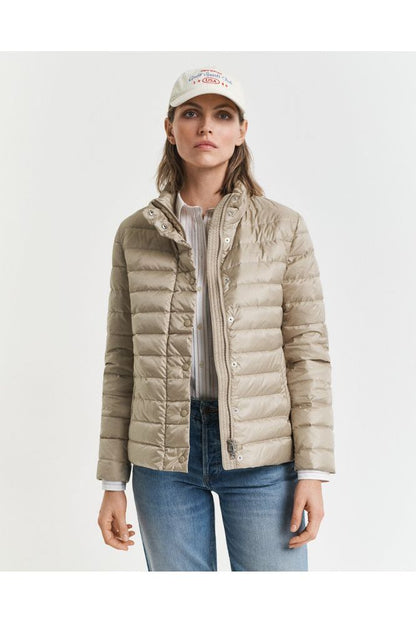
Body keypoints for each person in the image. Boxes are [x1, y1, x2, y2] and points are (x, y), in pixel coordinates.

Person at [96, 66, 336, 571]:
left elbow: (306, 354)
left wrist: (312, 470)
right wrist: (113, 481)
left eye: (222, 115)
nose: (206, 127)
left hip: (263, 456)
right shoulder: (134, 234)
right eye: (191, 114)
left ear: (241, 131)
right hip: (163, 458)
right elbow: (121, 362)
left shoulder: (283, 228)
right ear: (170, 128)